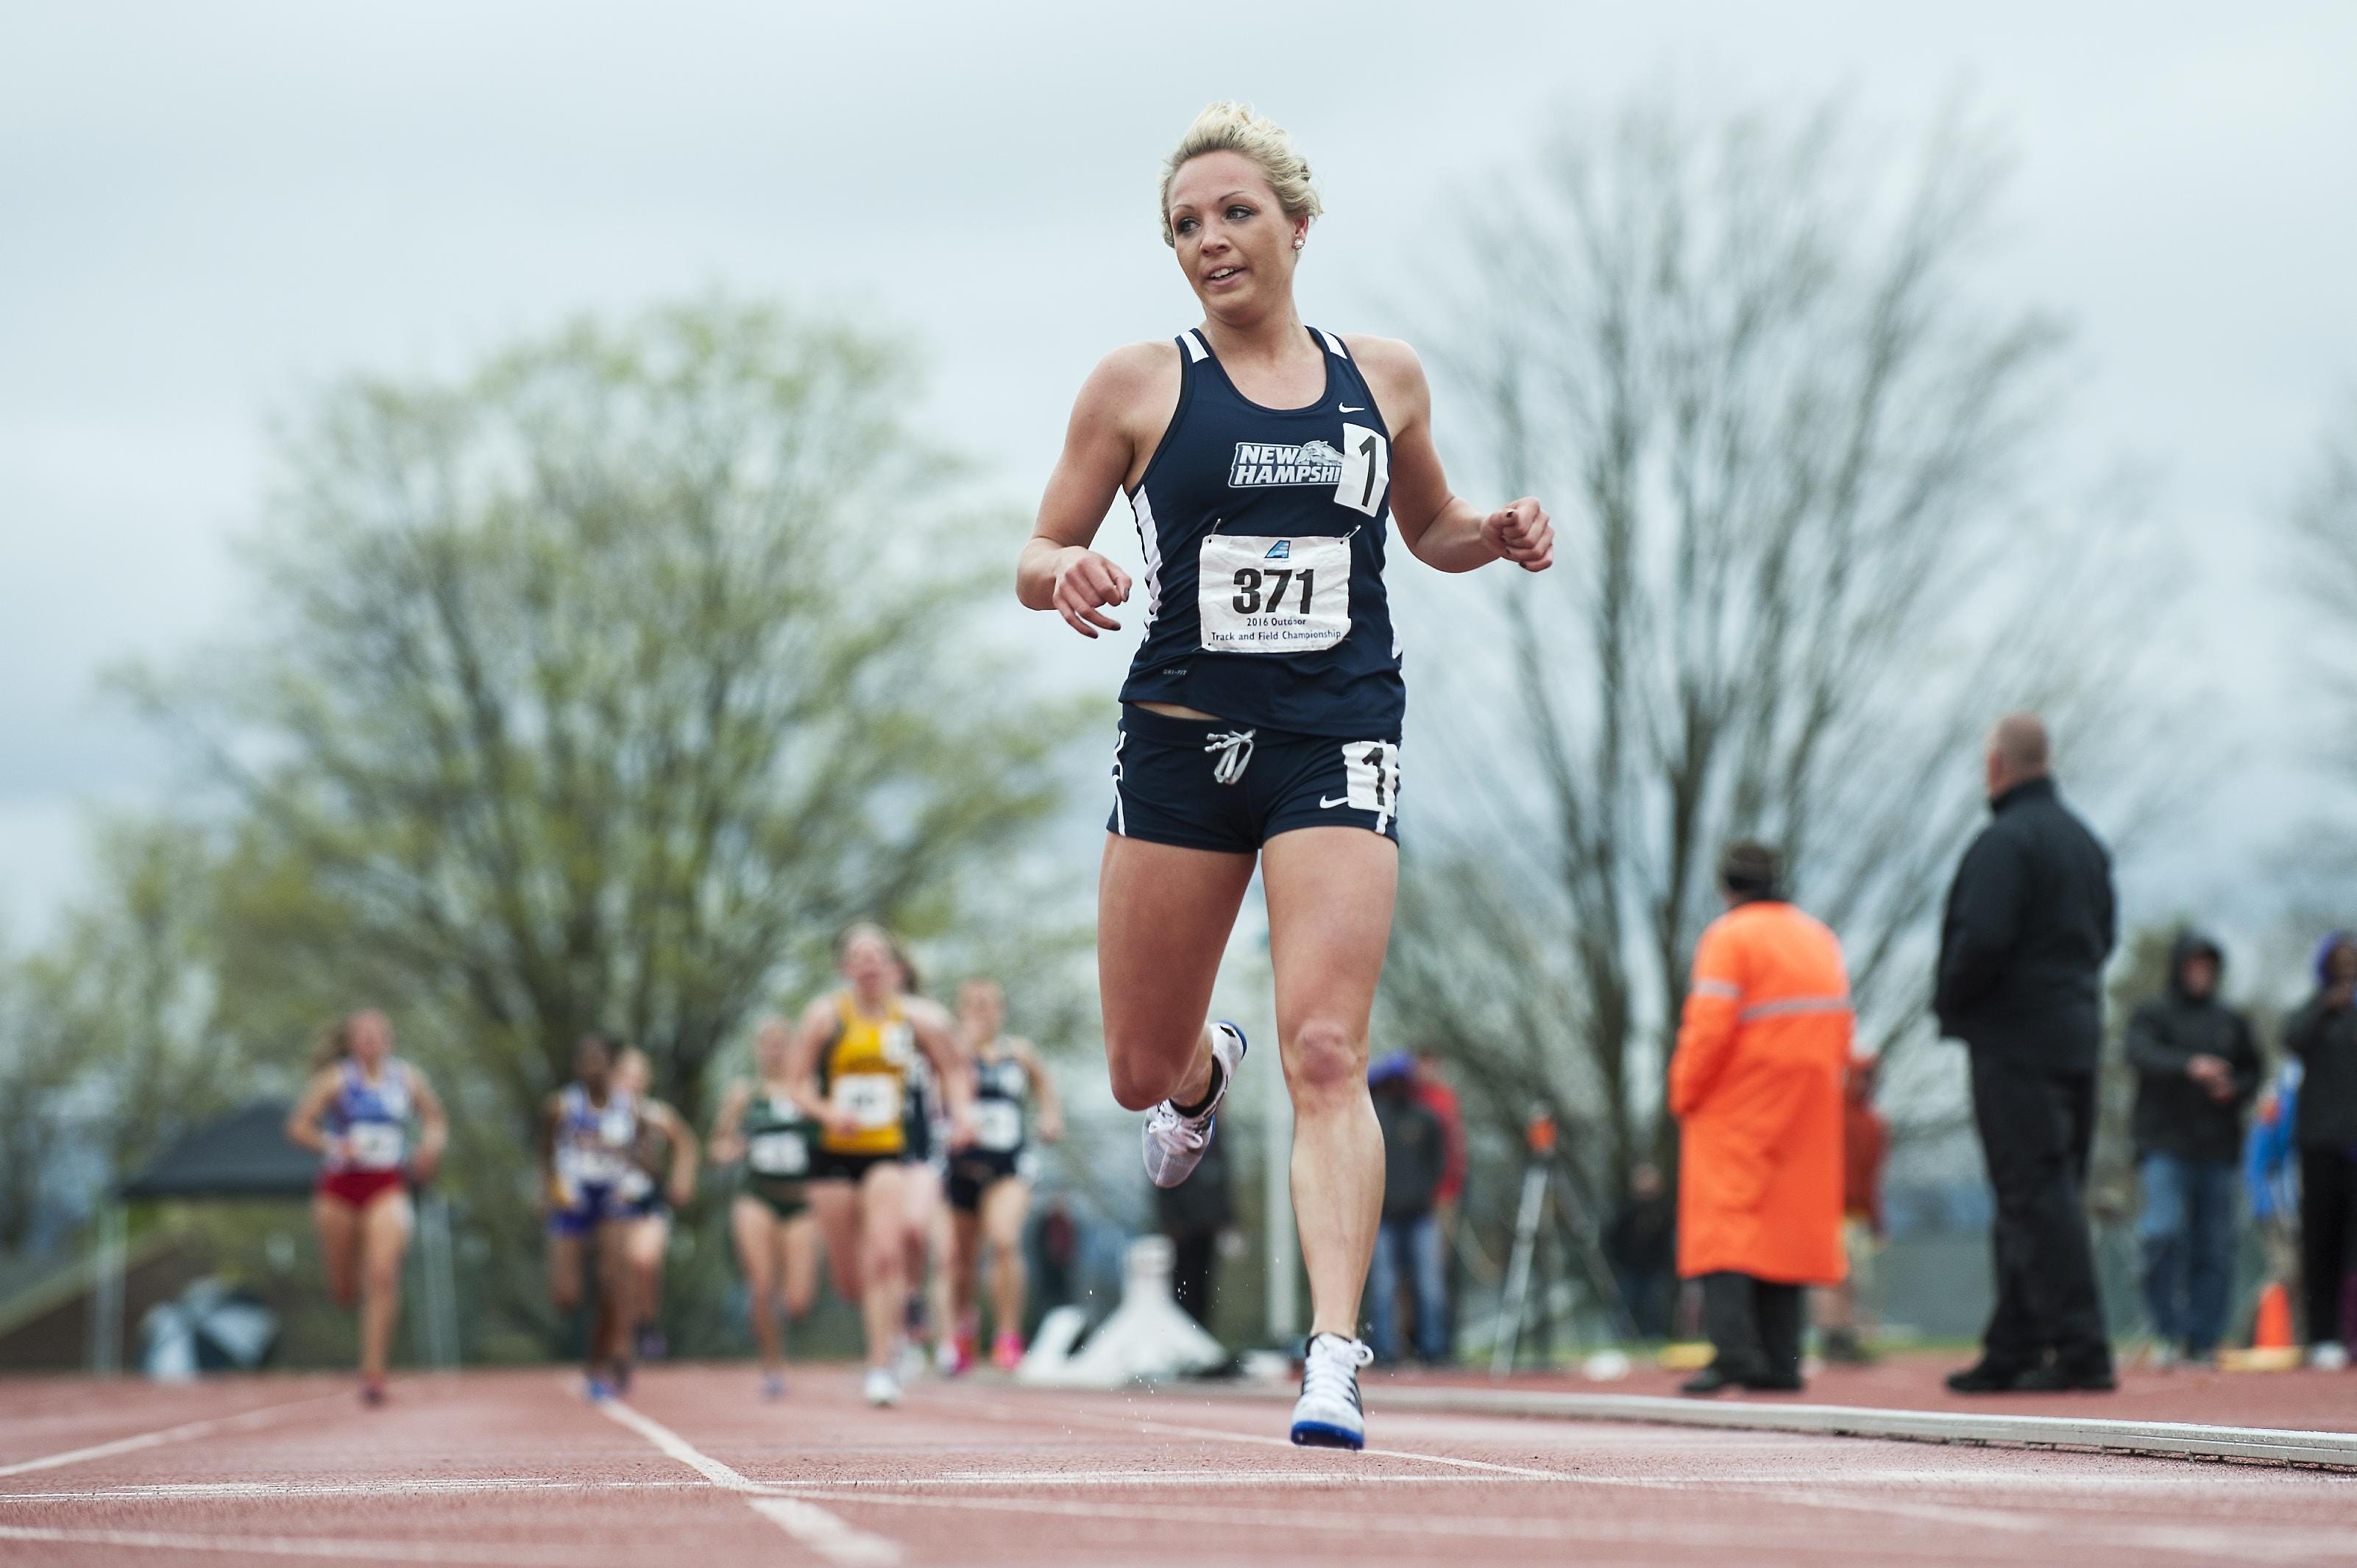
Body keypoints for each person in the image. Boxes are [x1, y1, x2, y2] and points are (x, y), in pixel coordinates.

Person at [1015, 101, 1552, 1450]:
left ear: (1297, 226)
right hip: (1183, 745)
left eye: (1233, 214)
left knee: (1329, 1049)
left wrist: (1495, 530)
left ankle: (1331, 1353)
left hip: (1336, 734)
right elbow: (1036, 547)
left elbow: (1427, 527)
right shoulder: (1138, 386)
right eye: (1185, 226)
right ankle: (1204, 1079)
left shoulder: (1383, 378)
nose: (1209, 241)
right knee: (1140, 1066)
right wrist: (1063, 571)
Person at [1935, 713, 2119, 1394]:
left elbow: (1979, 939)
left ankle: (2081, 1349)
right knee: (2042, 1191)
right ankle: (2011, 1346)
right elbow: (2103, 935)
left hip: (2014, 1039)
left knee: (2034, 1193)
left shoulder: (2003, 842)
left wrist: (1953, 1002)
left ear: (1996, 766)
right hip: (2075, 1033)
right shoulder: (2084, 843)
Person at [1669, 842, 1851, 1396]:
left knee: (1726, 1230)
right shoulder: (1816, 935)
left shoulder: (1728, 936)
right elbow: (1842, 1025)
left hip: (1737, 1105)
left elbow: (1708, 1027)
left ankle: (1734, 1353)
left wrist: (1682, 1091)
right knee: (1785, 1232)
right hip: (1807, 1108)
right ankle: (1781, 1358)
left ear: (1727, 886)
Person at [789, 922, 973, 1407]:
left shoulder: (917, 1020)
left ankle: (880, 1365)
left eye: (877, 954)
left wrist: (963, 1113)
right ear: (845, 967)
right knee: (850, 1278)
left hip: (887, 1150)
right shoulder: (825, 1017)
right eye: (858, 955)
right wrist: (830, 1113)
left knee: (884, 1252)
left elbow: (953, 1068)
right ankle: (879, 1326)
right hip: (832, 1153)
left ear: (894, 966)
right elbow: (798, 1084)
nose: (868, 963)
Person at [286, 1010, 447, 1405]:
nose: (371, 1040)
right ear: (353, 1042)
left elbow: (435, 1120)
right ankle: (347, 1285)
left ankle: (373, 1373)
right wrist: (333, 1145)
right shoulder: (337, 1079)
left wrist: (429, 1148)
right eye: (363, 1035)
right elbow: (298, 1127)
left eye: (378, 1033)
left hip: (387, 1185)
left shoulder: (406, 1079)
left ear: (389, 1038)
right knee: (344, 1289)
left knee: (382, 1273)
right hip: (340, 1188)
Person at [2124, 932, 2261, 1368]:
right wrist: (2190, 1066)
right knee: (2161, 1234)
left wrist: (2233, 1087)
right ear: (2180, 967)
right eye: (2194, 965)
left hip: (2218, 1151)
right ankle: (2167, 1330)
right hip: (2165, 1146)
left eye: (2209, 966)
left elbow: (2254, 1070)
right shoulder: (2153, 1014)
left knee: (2215, 1248)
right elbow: (2138, 1053)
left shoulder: (2230, 1020)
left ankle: (2201, 1341)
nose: (2201, 974)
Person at [946, 979, 1064, 1373]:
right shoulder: (950, 1053)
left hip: (1008, 1166)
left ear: (1002, 1011)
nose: (983, 1012)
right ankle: (963, 1325)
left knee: (1004, 1239)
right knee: (961, 1261)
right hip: (960, 1166)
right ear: (961, 1011)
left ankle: (1008, 1336)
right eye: (974, 1005)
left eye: (991, 1005)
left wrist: (1049, 1117)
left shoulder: (1019, 1053)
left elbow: (1045, 1088)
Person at [709, 1018, 823, 1399]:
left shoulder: (807, 1092)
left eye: (781, 1042)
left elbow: (829, 1139)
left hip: (800, 1202)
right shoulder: (744, 1094)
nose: (774, 1049)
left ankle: (784, 1337)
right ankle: (772, 1366)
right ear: (759, 1049)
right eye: (767, 1043)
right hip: (757, 1197)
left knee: (798, 1300)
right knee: (760, 1286)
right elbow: (717, 1148)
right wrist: (735, 1150)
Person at [540, 1035, 653, 1398]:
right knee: (567, 1296)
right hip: (574, 1199)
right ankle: (606, 1347)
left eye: (598, 1062)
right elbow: (545, 1152)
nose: (591, 1069)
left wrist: (634, 1181)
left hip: (611, 1198)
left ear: (611, 1067)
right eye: (584, 1062)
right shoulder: (562, 1106)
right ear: (577, 1068)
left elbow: (647, 1157)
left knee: (611, 1280)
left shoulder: (628, 1108)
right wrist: (550, 1190)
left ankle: (609, 1354)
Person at [2283, 932, 2357, 1367]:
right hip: (2319, 1144)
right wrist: (2323, 1007)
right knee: (2321, 1242)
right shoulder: (2314, 1012)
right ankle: (2322, 1335)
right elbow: (2290, 1039)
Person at [609, 1047, 699, 1363]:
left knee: (645, 1261)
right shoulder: (600, 1115)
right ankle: (622, 1339)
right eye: (625, 1076)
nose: (631, 1083)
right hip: (612, 1208)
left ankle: (646, 1322)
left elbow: (687, 1143)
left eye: (637, 1077)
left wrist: (682, 1179)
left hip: (649, 1202)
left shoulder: (657, 1114)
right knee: (619, 1275)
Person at [1364, 1053, 1449, 1364]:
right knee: (1384, 1286)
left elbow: (1439, 1162)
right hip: (1384, 1215)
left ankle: (1433, 1349)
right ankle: (1385, 1351)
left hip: (1420, 1215)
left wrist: (1425, 1194)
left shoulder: (1425, 1118)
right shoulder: (1375, 1118)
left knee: (1429, 1285)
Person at [1817, 1056, 1890, 1365]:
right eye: (1862, 1077)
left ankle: (1845, 1335)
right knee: (1835, 1276)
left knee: (1856, 1279)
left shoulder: (1875, 1125)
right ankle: (1834, 1336)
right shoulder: (1831, 1116)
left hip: (1856, 1214)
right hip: (1829, 1210)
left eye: (1871, 1078)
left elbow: (1873, 1176)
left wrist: (1876, 1219)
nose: (1867, 1084)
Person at [1412, 1050, 1467, 1342]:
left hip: (1440, 1197)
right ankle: (1410, 1342)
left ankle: (1439, 1342)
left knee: (1436, 1272)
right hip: (1408, 1200)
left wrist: (1449, 1193)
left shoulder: (1444, 1100)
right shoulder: (1408, 1097)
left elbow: (1454, 1151)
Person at [1605, 1164, 1678, 1342]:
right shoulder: (1626, 1209)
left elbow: (1668, 1239)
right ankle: (1625, 1338)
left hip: (1655, 1267)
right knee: (1627, 1303)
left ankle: (1654, 1337)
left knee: (1654, 1305)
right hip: (1629, 1266)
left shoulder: (1664, 1210)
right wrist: (1618, 1260)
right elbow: (1614, 1236)